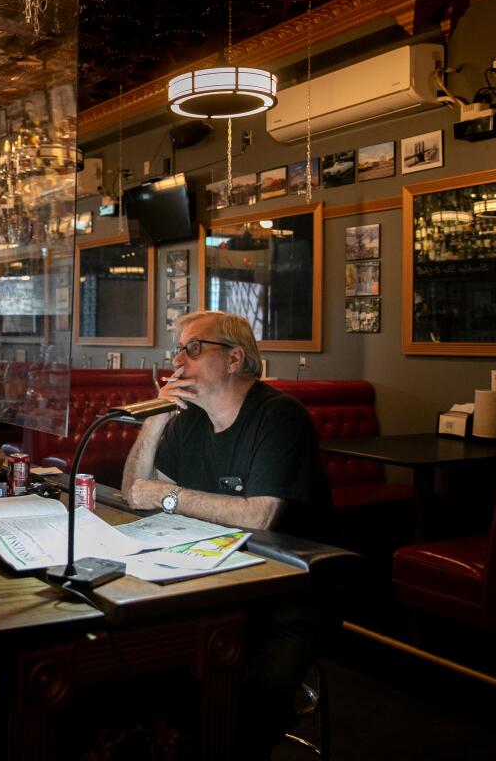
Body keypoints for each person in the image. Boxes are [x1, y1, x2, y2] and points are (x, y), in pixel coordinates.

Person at [121, 309, 335, 758]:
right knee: (138, 663)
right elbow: (134, 492)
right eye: (177, 350)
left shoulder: (279, 416)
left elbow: (258, 517)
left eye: (193, 348)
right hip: (212, 580)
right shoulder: (189, 419)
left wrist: (170, 496)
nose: (178, 361)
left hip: (289, 593)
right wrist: (154, 420)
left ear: (235, 358)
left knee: (242, 704)